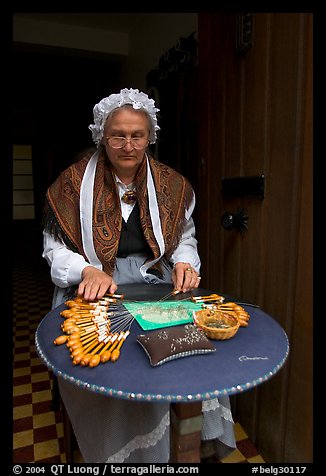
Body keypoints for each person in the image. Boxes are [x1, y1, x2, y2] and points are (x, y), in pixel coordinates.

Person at [42, 87, 236, 463]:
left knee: (188, 348)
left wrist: (183, 262)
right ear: (102, 134)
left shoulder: (171, 184)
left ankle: (189, 443)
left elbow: (185, 237)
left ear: (150, 137)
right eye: (118, 134)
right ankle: (130, 455)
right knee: (113, 363)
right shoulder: (71, 183)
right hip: (95, 283)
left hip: (153, 280)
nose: (127, 145)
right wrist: (85, 269)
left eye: (137, 135)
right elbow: (53, 248)